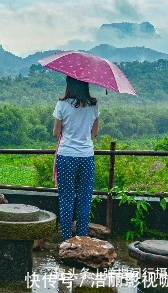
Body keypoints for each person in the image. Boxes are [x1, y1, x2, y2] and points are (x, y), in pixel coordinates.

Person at [53, 76, 99, 242]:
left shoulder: (62, 105)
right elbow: (94, 133)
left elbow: (56, 133)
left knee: (66, 199)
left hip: (66, 156)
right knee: (85, 199)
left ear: (69, 85)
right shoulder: (93, 106)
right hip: (86, 156)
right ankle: (82, 239)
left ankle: (66, 240)